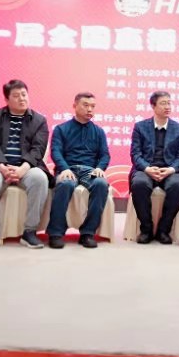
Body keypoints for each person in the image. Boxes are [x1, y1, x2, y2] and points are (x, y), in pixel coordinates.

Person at [0, 80, 53, 250]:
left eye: (24, 95)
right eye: (16, 96)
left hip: (27, 167)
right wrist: (2, 167)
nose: (22, 99)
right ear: (7, 99)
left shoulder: (39, 120)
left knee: (40, 179)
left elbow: (38, 149)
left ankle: (30, 232)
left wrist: (22, 169)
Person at [47, 92, 110, 249]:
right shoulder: (61, 129)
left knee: (101, 184)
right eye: (86, 105)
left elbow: (105, 155)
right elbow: (56, 151)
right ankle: (56, 233)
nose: (90, 109)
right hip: (68, 168)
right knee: (66, 184)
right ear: (75, 106)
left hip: (90, 171)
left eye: (93, 106)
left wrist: (100, 168)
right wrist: (64, 168)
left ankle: (88, 233)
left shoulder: (99, 131)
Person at [129, 90, 179, 244]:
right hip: (146, 169)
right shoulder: (140, 127)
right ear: (153, 106)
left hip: (169, 170)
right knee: (139, 184)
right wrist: (147, 168)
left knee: (178, 186)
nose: (167, 106)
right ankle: (146, 230)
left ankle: (163, 230)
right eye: (163, 103)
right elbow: (135, 154)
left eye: (169, 103)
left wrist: (171, 169)